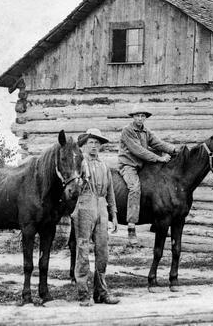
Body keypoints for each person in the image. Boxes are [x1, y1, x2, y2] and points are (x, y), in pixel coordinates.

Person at [73, 128, 119, 306]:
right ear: (84, 145)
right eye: (90, 142)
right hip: (85, 205)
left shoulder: (103, 166)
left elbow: (110, 193)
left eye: (97, 143)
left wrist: (113, 215)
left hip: (102, 207)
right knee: (83, 249)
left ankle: (101, 292)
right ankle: (83, 294)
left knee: (103, 251)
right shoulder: (80, 164)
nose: (94, 146)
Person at [118, 105, 177, 246]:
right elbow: (138, 151)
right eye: (137, 115)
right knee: (134, 188)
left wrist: (174, 150)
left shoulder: (146, 131)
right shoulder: (127, 131)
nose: (140, 118)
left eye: (142, 116)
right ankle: (131, 227)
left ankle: (156, 224)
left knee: (159, 187)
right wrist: (159, 159)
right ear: (133, 117)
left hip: (143, 166)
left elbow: (158, 143)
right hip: (129, 166)